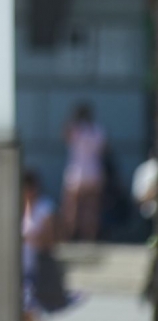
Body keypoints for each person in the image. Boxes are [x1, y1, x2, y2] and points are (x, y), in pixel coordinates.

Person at [22, 169, 75, 321]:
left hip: (39, 264)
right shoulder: (22, 208)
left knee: (28, 303)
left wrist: (28, 238)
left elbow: (49, 239)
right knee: (24, 306)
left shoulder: (45, 207)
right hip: (23, 262)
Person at [61, 102, 106, 241]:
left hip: (76, 174)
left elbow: (65, 135)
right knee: (91, 209)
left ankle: (70, 236)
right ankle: (89, 236)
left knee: (72, 208)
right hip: (94, 173)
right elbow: (104, 149)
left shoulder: (75, 129)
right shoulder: (98, 130)